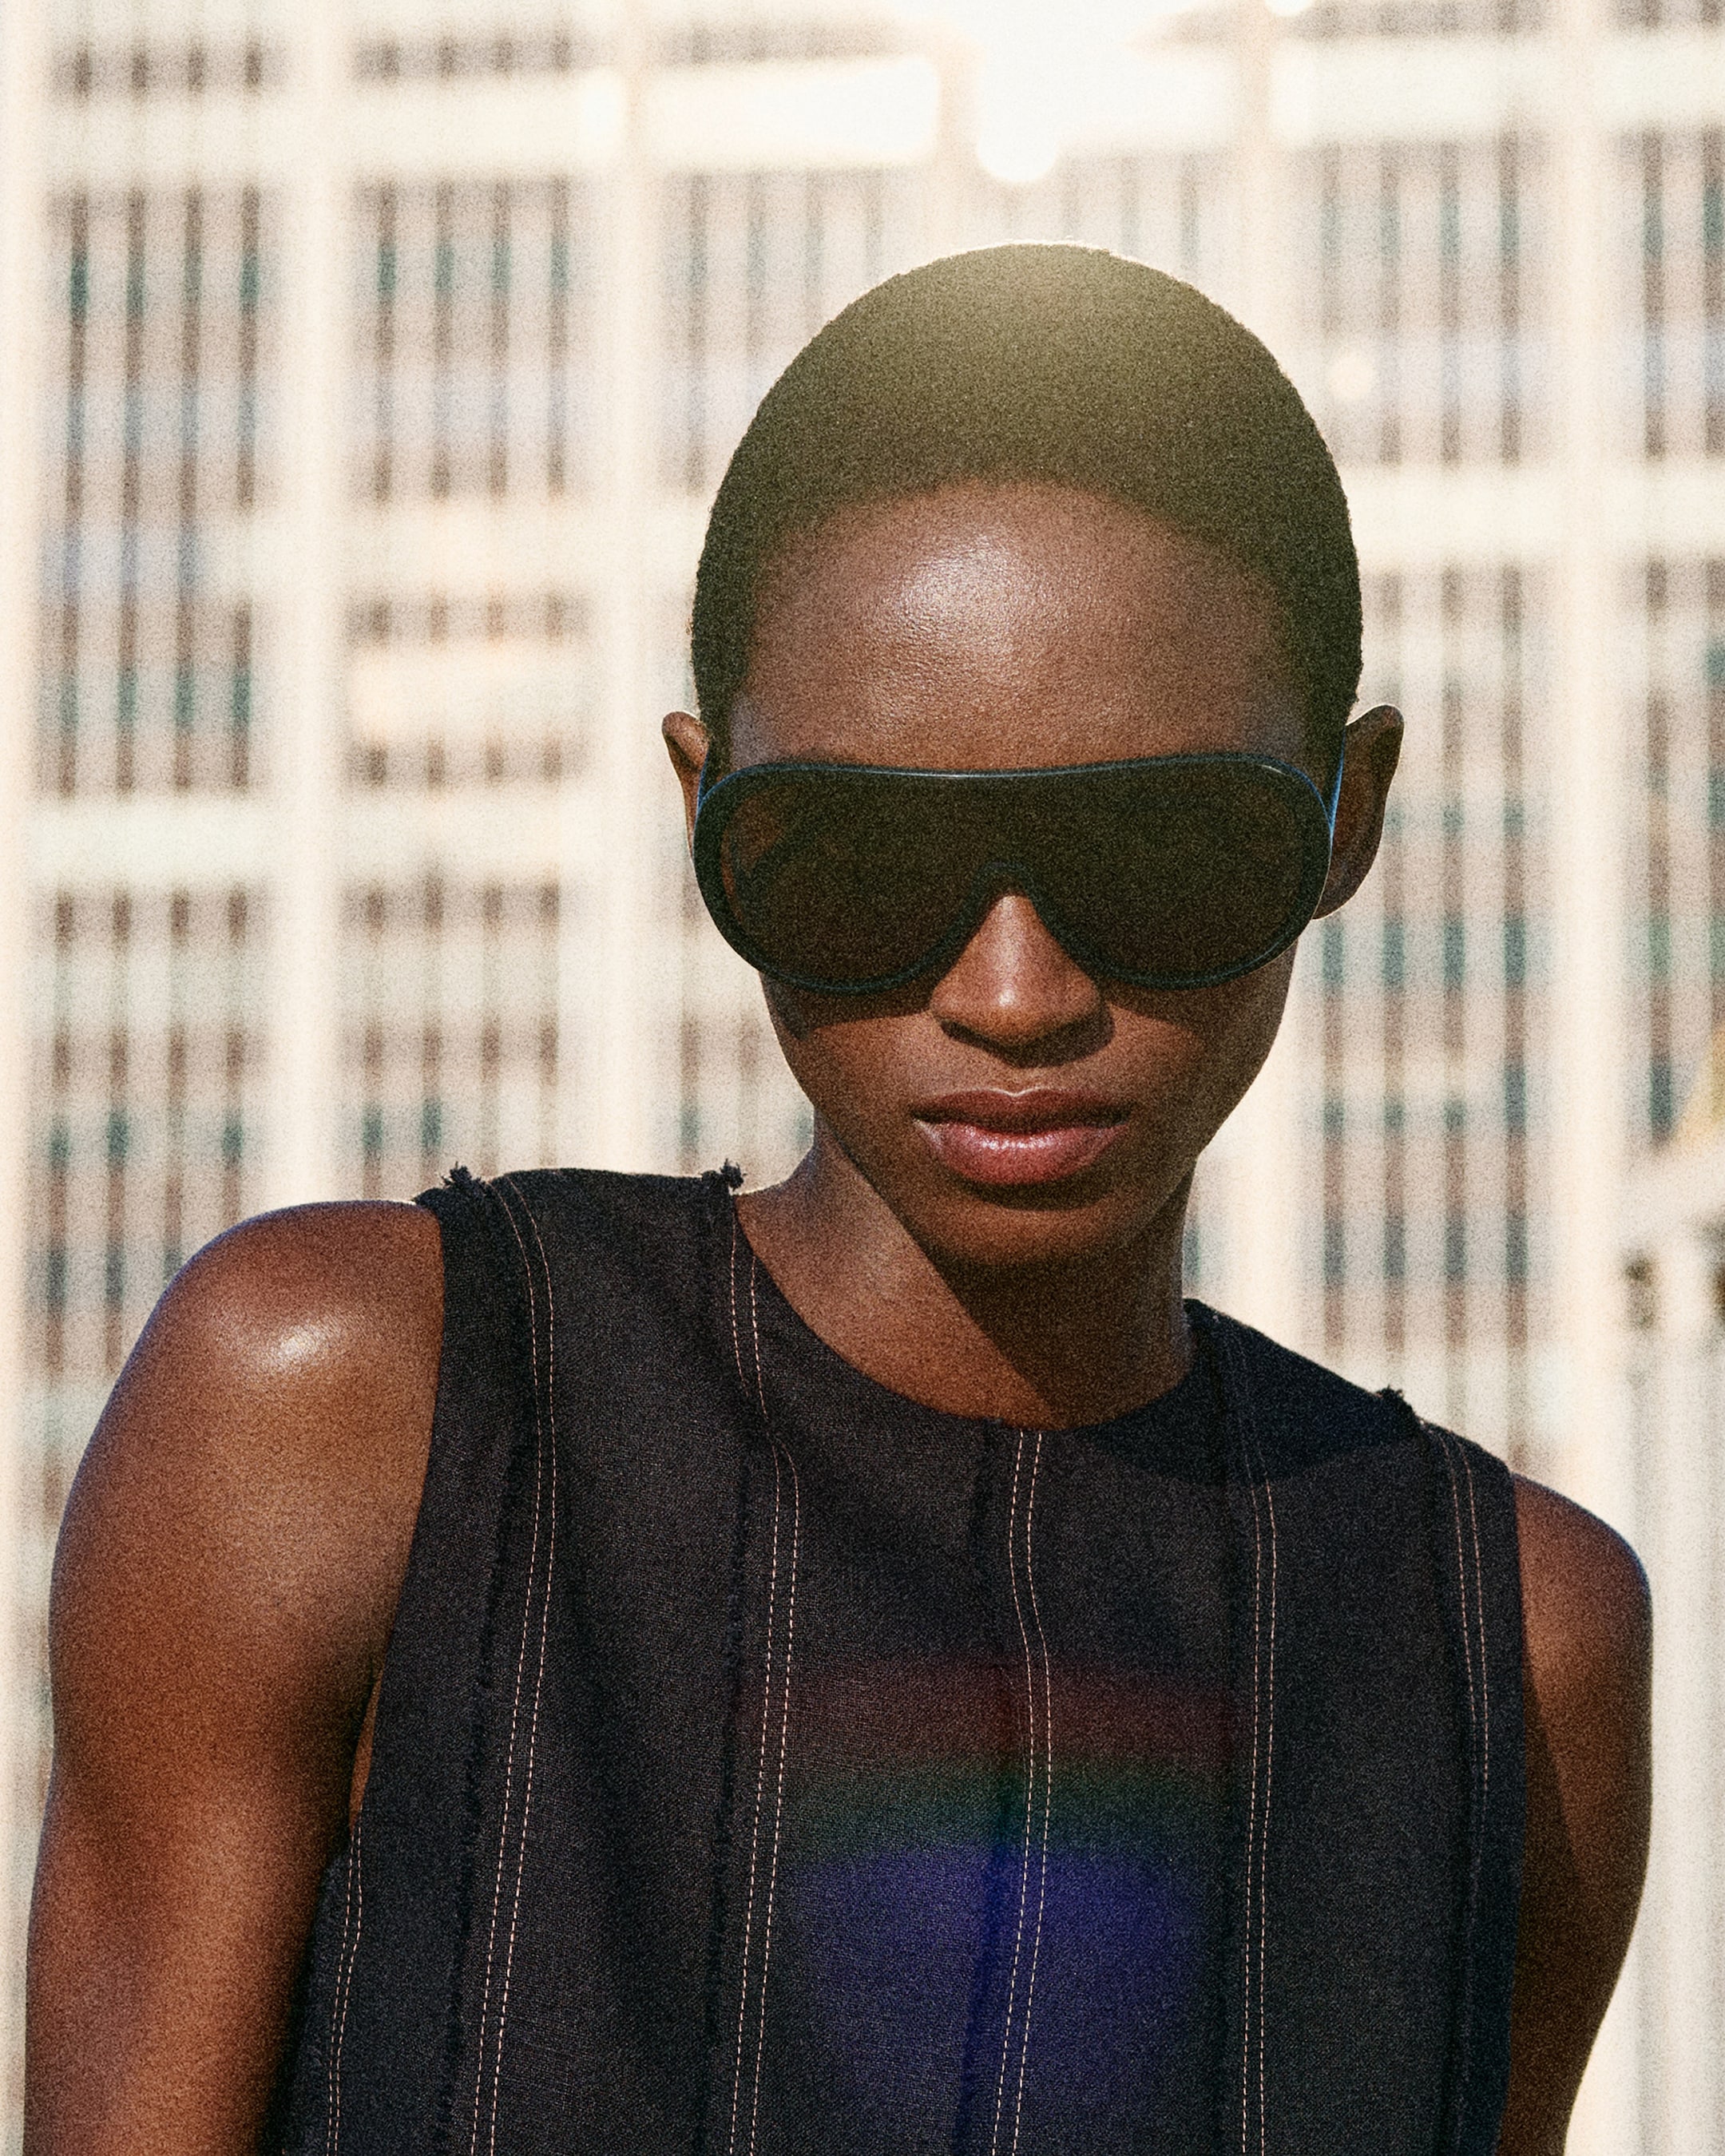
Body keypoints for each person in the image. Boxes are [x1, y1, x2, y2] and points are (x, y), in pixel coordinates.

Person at [27, 246, 1648, 2156]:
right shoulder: (356, 1406)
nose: (1016, 994)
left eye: (1164, 847)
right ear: (704, 808)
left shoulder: (1511, 1647)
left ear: (1346, 817)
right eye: (861, 858)